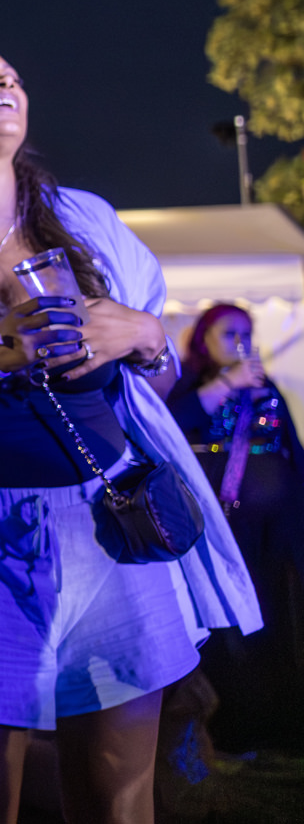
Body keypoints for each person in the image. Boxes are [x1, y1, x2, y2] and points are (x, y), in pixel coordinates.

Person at [0, 47, 260, 824]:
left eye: (10, 74)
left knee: (119, 800)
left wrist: (143, 335)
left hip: (114, 528)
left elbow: (155, 384)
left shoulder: (88, 218)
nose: (3, 80)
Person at [167, 303, 304, 751]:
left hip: (272, 533)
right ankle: (227, 730)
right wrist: (228, 383)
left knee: (274, 622)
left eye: (247, 332)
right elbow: (174, 424)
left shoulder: (266, 388)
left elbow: (291, 452)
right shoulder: (189, 385)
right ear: (203, 339)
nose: (242, 342)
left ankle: (276, 727)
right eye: (230, 333)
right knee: (227, 630)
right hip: (220, 531)